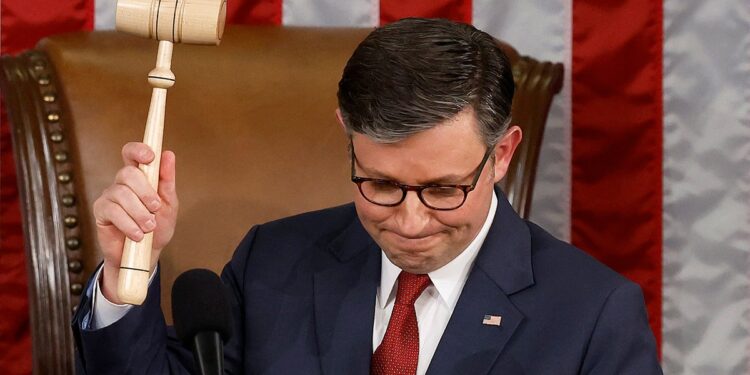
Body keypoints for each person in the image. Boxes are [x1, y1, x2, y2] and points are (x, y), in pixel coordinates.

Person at [72, 18, 662, 374]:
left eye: (442, 189)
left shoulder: (592, 314)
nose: (409, 221)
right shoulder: (272, 262)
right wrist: (130, 273)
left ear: (502, 154)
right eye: (380, 184)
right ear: (348, 140)